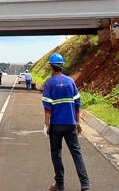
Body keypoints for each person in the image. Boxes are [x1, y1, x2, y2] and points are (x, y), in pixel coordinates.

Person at [42, 52, 90, 191]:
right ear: (62, 66)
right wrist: (77, 121)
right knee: (76, 153)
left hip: (56, 125)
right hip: (70, 124)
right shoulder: (70, 81)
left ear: (51, 67)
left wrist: (47, 124)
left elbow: (47, 107)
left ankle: (60, 184)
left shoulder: (49, 83)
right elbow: (77, 102)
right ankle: (85, 185)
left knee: (56, 153)